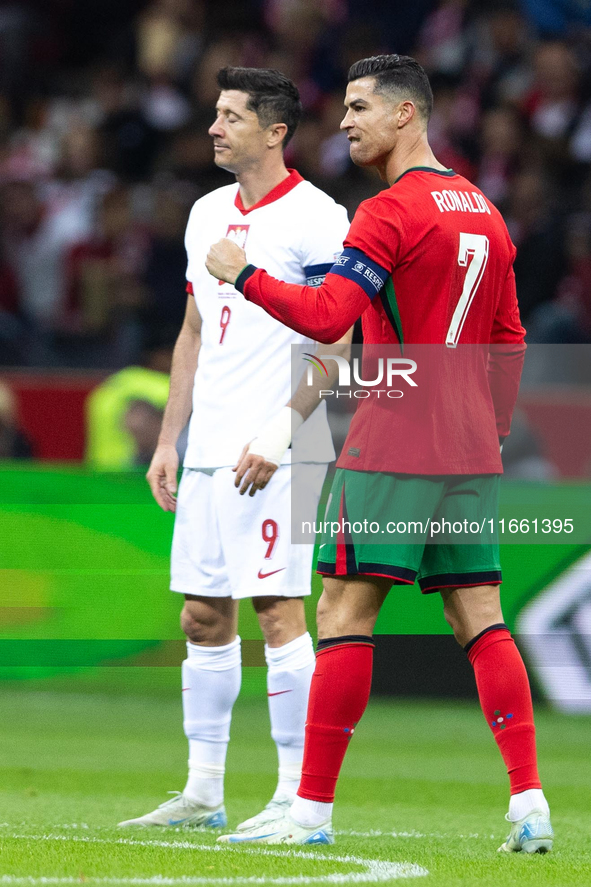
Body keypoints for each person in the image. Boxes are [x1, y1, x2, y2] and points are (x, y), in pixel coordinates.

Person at [206, 54, 553, 853]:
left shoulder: (389, 211)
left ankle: (311, 813)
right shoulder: (485, 210)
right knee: (479, 617)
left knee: (341, 611)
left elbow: (329, 318)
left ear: (406, 114)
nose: (346, 121)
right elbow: (508, 335)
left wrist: (243, 274)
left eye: (360, 107)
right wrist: (488, 426)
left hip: (393, 438)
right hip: (468, 450)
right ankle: (529, 802)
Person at [118, 66, 350, 831]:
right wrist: (168, 439)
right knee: (201, 617)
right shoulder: (206, 210)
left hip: (281, 442)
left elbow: (337, 341)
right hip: (210, 441)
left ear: (274, 131)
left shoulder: (318, 218)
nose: (213, 127)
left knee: (278, 610)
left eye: (230, 116)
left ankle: (294, 796)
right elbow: (192, 331)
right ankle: (204, 791)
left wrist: (283, 431)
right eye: (214, 113)